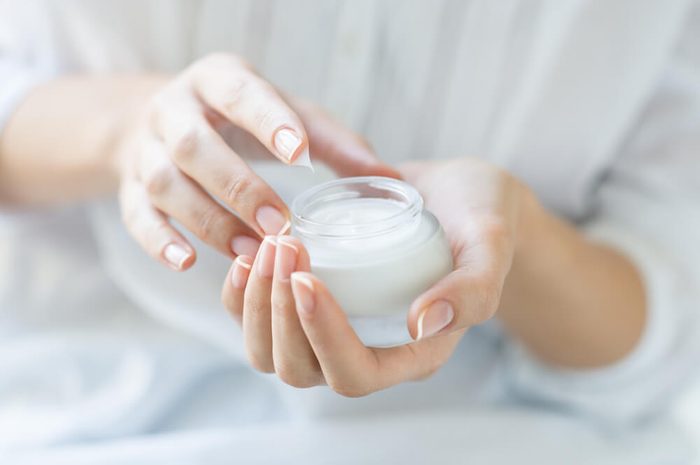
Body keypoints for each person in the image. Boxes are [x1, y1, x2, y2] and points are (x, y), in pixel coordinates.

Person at [0, 0, 699, 462]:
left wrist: (515, 235)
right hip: (94, 415)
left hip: (501, 435)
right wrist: (127, 128)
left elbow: (665, 327)